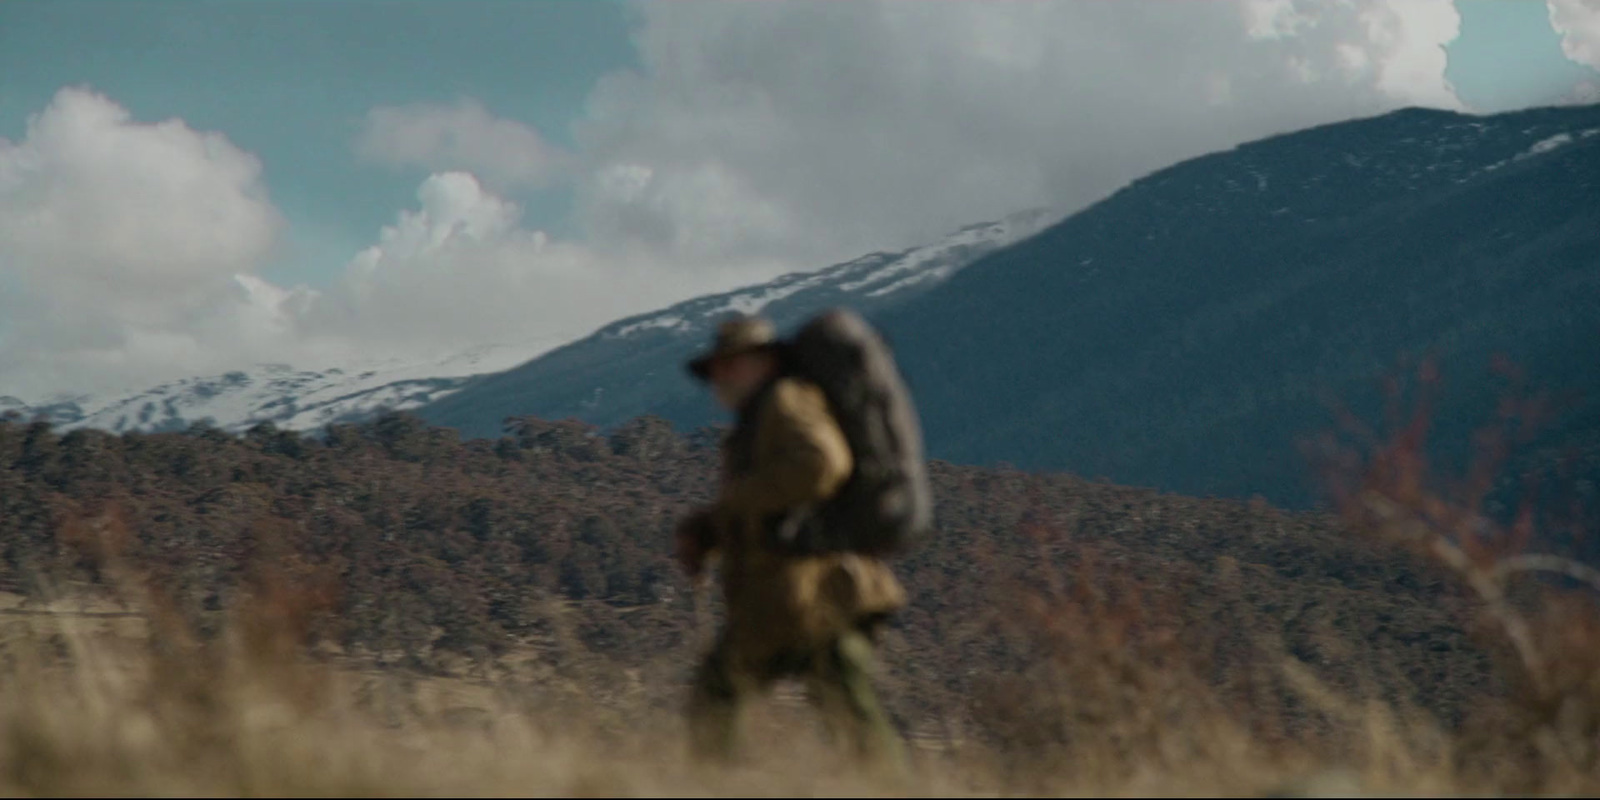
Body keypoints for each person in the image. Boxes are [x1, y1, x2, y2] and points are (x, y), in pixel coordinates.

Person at [675, 314, 910, 772]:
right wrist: (710, 528)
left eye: (731, 365)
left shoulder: (786, 400)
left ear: (763, 361)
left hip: (804, 595)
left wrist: (738, 502)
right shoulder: (760, 416)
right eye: (717, 369)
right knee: (849, 713)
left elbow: (823, 464)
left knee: (716, 697)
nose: (721, 378)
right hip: (803, 598)